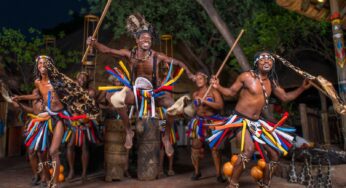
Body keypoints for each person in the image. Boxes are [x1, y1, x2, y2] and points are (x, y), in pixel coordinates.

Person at [87, 13, 195, 157]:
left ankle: (166, 137)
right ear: (137, 40)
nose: (147, 40)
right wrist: (94, 43)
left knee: (173, 107)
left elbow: (177, 62)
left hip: (155, 94)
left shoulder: (157, 56)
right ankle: (128, 131)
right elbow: (107, 50)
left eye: (149, 38)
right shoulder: (129, 55)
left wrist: (189, 74)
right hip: (136, 93)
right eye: (143, 38)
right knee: (115, 99)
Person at [209, 51, 311, 188]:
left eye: (270, 59)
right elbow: (231, 92)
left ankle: (264, 184)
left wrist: (302, 88)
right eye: (263, 59)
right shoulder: (246, 77)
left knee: (274, 155)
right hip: (240, 120)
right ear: (257, 62)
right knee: (248, 150)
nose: (267, 61)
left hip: (257, 123)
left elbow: (286, 97)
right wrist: (218, 86)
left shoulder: (272, 82)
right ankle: (232, 184)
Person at [13, 55, 99, 188]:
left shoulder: (58, 80)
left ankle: (55, 184)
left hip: (59, 117)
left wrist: (84, 106)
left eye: (45, 63)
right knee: (42, 153)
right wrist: (20, 97)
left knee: (53, 151)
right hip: (46, 116)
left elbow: (73, 92)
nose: (42, 66)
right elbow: (37, 95)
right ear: (37, 66)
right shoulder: (37, 82)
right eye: (40, 63)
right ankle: (46, 180)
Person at [187, 70, 225, 182]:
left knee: (215, 148)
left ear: (205, 80)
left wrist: (205, 101)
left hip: (212, 121)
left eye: (200, 78)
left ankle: (219, 174)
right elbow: (194, 109)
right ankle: (197, 172)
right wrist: (189, 106)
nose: (198, 81)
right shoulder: (195, 94)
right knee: (195, 147)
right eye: (196, 79)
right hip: (199, 122)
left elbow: (220, 105)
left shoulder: (213, 92)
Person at [66, 72, 99, 182]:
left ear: (87, 81)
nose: (82, 80)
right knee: (70, 145)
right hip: (74, 122)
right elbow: (69, 106)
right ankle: (71, 171)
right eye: (80, 78)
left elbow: (92, 108)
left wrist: (85, 118)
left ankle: (84, 174)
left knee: (84, 146)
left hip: (85, 122)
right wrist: (73, 115)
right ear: (76, 79)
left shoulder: (90, 92)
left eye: (84, 78)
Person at [12, 89, 49, 187]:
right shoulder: (35, 95)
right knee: (31, 152)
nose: (34, 94)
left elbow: (36, 96)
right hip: (35, 125)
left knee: (42, 153)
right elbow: (32, 110)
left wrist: (19, 97)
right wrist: (19, 104)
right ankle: (36, 175)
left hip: (44, 124)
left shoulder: (45, 93)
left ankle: (44, 178)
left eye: (35, 93)